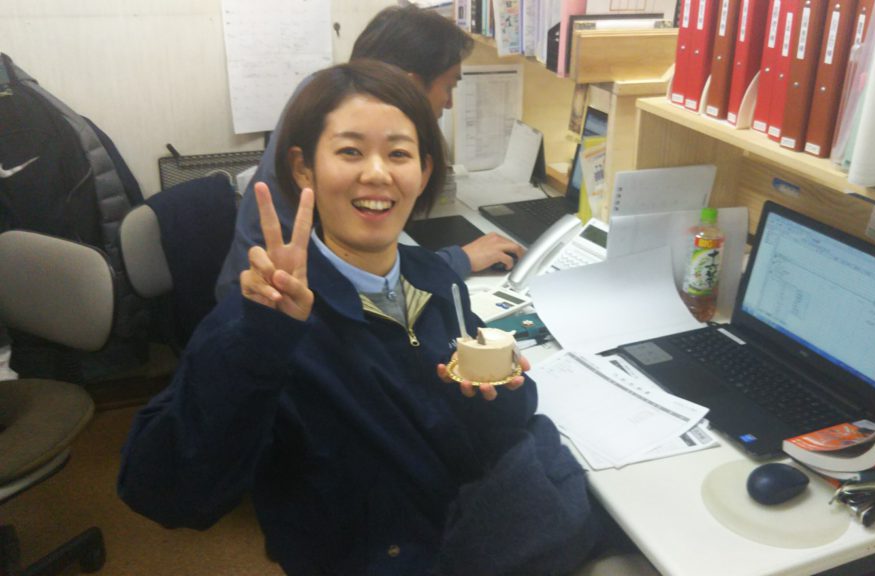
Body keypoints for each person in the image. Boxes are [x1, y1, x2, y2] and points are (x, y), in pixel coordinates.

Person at [118, 61, 611, 576]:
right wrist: (259, 346)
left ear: (423, 171)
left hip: (472, 530)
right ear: (304, 169)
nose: (377, 173)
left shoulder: (435, 280)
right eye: (350, 151)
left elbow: (478, 429)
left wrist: (499, 395)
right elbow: (164, 492)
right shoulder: (267, 318)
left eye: (398, 153)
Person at [214, 5, 524, 302]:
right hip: (267, 294)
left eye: (398, 154)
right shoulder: (323, 110)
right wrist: (459, 259)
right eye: (449, 87)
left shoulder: (327, 94)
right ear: (410, 85)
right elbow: (361, 274)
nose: (449, 103)